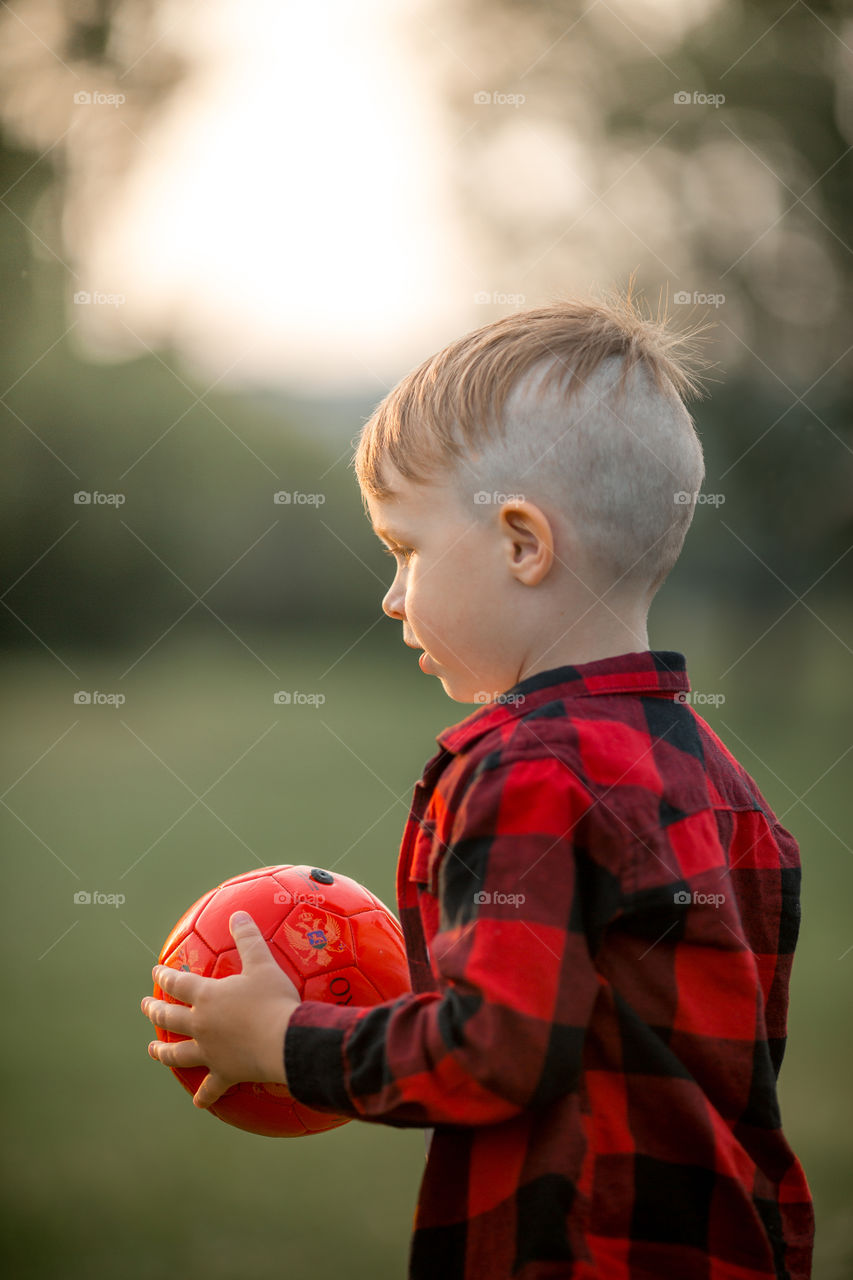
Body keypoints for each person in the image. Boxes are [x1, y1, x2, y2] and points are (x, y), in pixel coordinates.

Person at [141, 293, 815, 1279]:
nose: (391, 594)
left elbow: (493, 1049)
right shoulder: (727, 787)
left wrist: (286, 1040)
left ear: (520, 543)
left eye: (404, 549)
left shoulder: (522, 771)